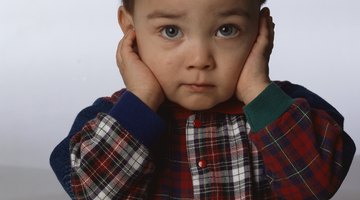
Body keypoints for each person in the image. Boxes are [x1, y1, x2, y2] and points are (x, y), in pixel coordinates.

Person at [50, 0, 356, 199]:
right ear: (130, 27)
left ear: (261, 29)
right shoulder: (115, 119)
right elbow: (91, 193)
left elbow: (316, 187)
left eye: (226, 30)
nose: (200, 59)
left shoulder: (286, 110)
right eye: (171, 31)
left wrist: (256, 91)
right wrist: (141, 100)